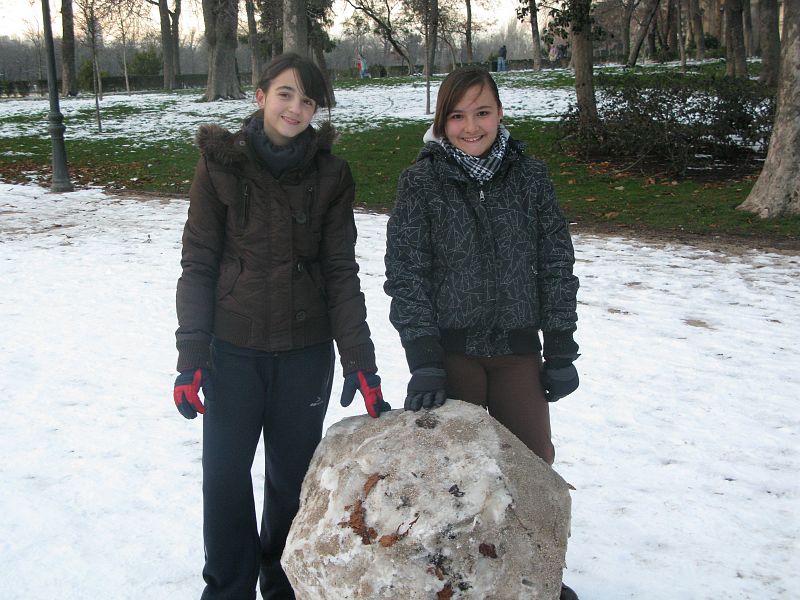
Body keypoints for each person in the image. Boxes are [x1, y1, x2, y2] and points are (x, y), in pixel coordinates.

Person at [173, 52, 391, 600]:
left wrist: (360, 361)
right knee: (224, 481)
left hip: (304, 351)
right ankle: (227, 590)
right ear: (260, 95)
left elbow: (340, 270)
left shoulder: (331, 174)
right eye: (286, 94)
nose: (296, 108)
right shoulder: (220, 164)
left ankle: (283, 584)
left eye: (308, 99)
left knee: (290, 485)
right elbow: (198, 263)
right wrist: (191, 356)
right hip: (232, 351)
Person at [384, 66, 580, 600]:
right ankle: (457, 581)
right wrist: (424, 357)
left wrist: (560, 348)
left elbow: (555, 261)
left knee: (533, 465)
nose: (472, 127)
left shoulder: (530, 176)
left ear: (499, 113)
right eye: (458, 115)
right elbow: (406, 273)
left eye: (483, 112)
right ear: (443, 120)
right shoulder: (421, 182)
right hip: (452, 353)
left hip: (517, 352)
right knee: (453, 478)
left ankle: (537, 574)